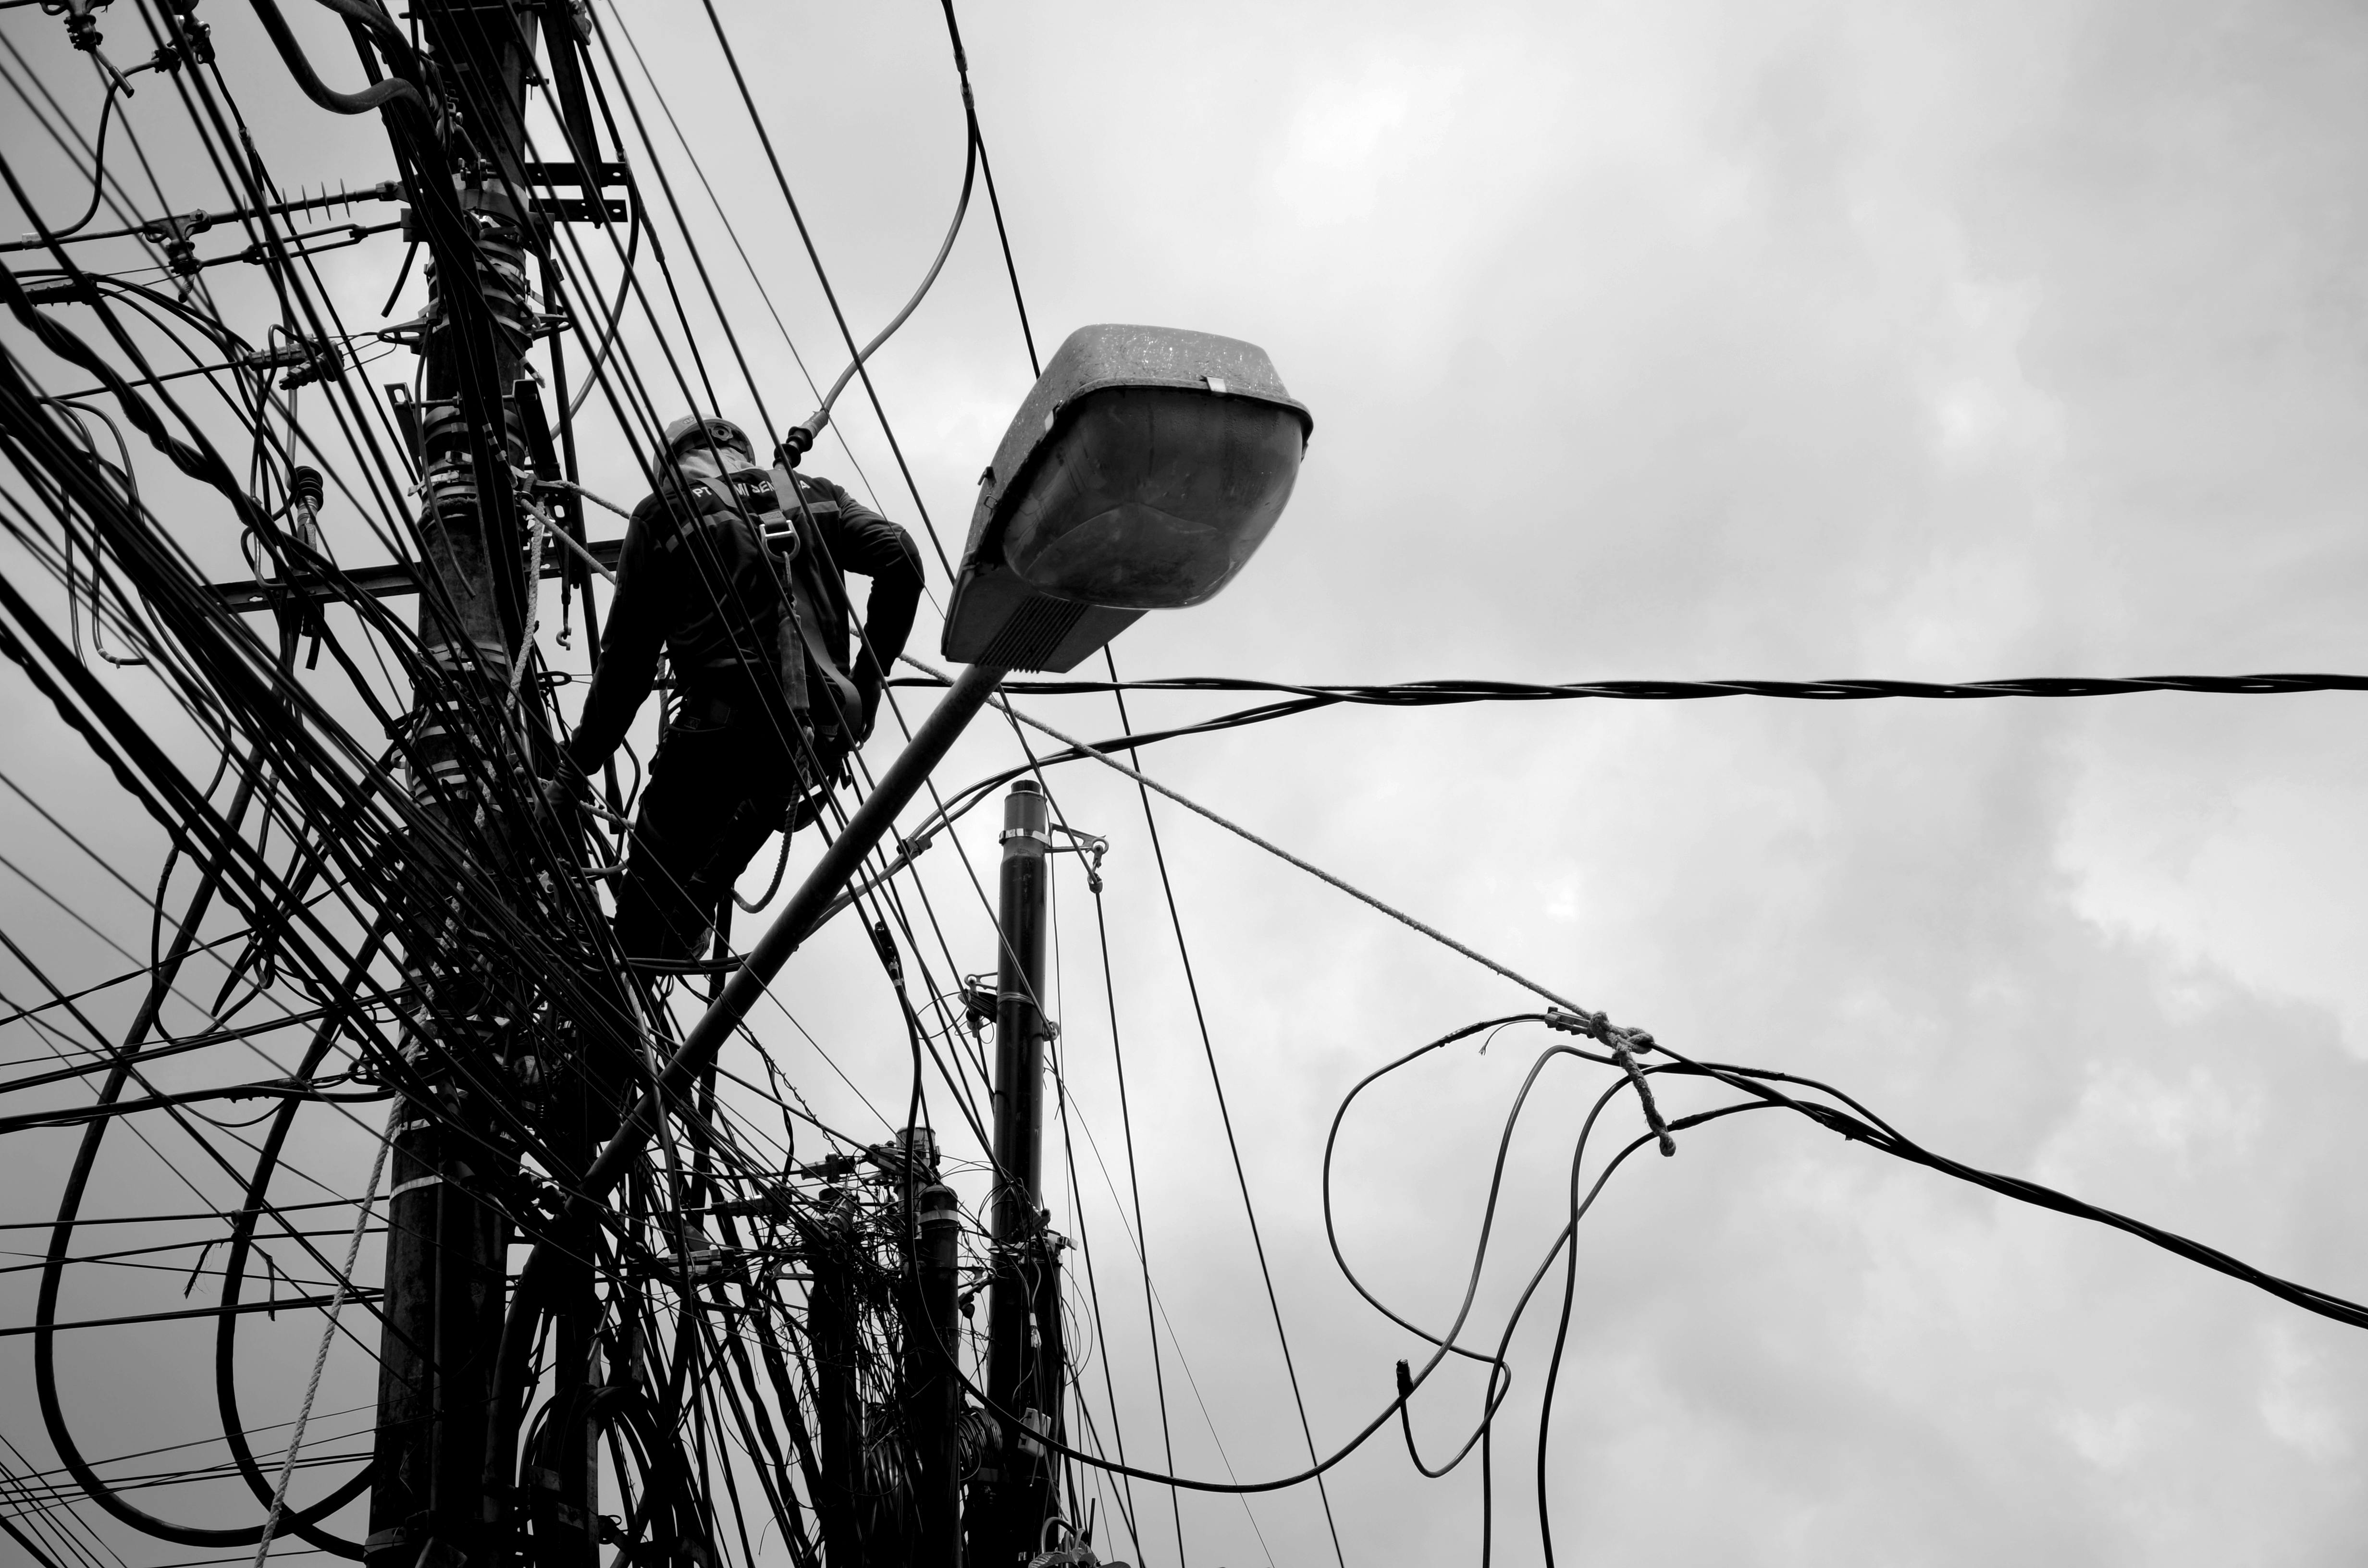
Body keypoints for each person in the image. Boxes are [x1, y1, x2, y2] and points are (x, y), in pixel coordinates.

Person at [549, 414, 924, 962]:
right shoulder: (814, 494)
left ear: (671, 464)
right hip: (813, 736)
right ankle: (687, 923)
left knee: (649, 890)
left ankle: (620, 995)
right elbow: (902, 559)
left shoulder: (663, 513)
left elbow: (627, 665)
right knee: (736, 835)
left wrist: (573, 768)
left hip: (718, 733)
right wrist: (867, 685)